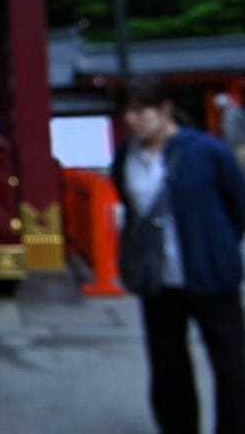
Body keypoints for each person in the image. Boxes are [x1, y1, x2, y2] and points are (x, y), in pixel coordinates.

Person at [111, 76, 245, 434]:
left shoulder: (207, 151)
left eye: (141, 110)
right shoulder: (126, 157)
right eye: (127, 111)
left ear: (165, 109)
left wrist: (220, 245)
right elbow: (131, 208)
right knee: (168, 364)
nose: (132, 119)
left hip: (210, 272)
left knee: (231, 363)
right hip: (159, 278)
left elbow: (238, 203)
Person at [213, 92, 245, 172]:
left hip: (240, 146)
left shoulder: (232, 113)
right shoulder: (233, 112)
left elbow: (231, 133)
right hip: (235, 146)